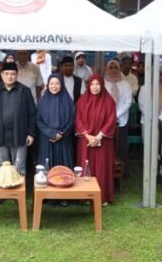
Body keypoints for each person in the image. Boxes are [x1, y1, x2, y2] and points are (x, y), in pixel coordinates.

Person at [0, 61, 37, 182]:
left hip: (20, 135)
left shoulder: (24, 91)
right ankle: (0, 191)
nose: (9, 76)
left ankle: (19, 191)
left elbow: (32, 114)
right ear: (1, 75)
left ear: (17, 75)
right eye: (6, 73)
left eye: (12, 74)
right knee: (0, 167)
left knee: (19, 167)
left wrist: (31, 133)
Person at [75, 75, 117, 205]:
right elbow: (78, 119)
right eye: (92, 84)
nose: (95, 87)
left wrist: (98, 137)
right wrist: (88, 136)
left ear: (102, 85)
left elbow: (111, 120)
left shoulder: (109, 101)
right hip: (86, 141)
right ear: (88, 86)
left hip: (103, 141)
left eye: (97, 84)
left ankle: (102, 197)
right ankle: (86, 196)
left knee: (102, 168)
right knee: (86, 167)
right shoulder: (82, 101)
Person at [37, 73, 75, 169]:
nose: (54, 86)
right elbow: (39, 121)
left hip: (64, 140)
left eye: (57, 83)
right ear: (47, 85)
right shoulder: (42, 102)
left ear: (62, 85)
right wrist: (52, 133)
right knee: (47, 170)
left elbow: (71, 120)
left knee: (64, 170)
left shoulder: (68, 101)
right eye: (51, 83)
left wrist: (61, 133)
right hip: (47, 140)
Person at [103, 59, 133, 178]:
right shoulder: (103, 83)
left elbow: (127, 102)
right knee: (106, 147)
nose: (113, 70)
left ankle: (123, 173)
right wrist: (109, 117)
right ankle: (106, 172)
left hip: (121, 120)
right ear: (107, 69)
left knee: (121, 147)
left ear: (119, 69)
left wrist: (115, 115)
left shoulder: (125, 84)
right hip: (105, 121)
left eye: (116, 68)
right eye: (111, 68)